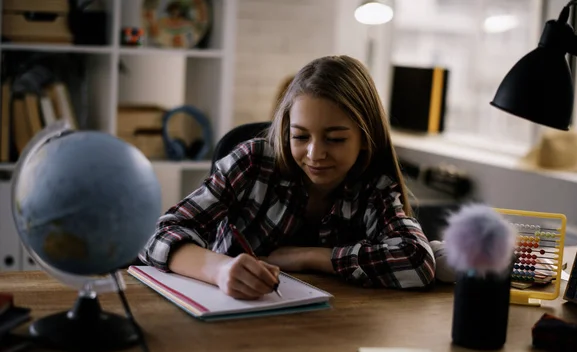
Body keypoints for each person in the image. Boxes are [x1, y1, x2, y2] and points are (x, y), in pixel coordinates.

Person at [139, 55, 436, 299]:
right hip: (230, 320)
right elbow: (158, 237)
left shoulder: (374, 186)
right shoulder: (254, 162)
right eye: (300, 136)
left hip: (329, 331)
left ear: (365, 139)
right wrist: (219, 270)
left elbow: (417, 260)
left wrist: (308, 257)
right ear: (286, 130)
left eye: (335, 139)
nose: (315, 153)